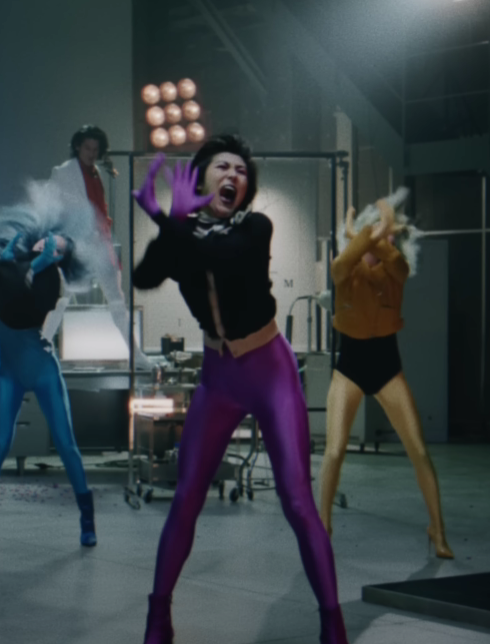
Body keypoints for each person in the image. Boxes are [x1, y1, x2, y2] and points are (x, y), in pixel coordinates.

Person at [131, 136, 347, 644]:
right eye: (222, 167)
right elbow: (145, 276)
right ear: (200, 177)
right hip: (218, 376)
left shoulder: (256, 227)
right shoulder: (185, 235)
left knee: (297, 500)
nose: (233, 175)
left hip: (270, 370)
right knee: (186, 497)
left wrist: (167, 220)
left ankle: (332, 621)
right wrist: (172, 224)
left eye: (241, 171)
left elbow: (225, 258)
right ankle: (158, 618)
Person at [0, 180, 117, 551]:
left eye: (57, 246)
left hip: (41, 370)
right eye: (48, 240)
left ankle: (87, 520)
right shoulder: (7, 269)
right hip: (10, 372)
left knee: (66, 445)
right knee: (0, 443)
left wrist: (48, 255)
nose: (49, 243)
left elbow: (30, 285)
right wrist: (20, 257)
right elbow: (2, 276)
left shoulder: (50, 278)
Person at [319, 188, 452, 558]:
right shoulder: (345, 270)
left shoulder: (396, 272)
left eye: (390, 236)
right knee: (334, 451)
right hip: (349, 369)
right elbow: (341, 264)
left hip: (387, 368)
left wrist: (372, 232)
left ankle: (437, 530)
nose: (387, 241)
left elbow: (397, 263)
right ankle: (322, 527)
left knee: (419, 450)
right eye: (380, 234)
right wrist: (367, 232)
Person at [52, 124, 151, 368]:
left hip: (101, 244)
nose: (91, 153)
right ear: (78, 147)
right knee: (60, 300)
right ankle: (41, 345)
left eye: (95, 149)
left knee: (117, 301)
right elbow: (59, 210)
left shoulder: (97, 172)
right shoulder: (63, 172)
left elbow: (99, 207)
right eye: (87, 148)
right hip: (77, 245)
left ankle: (136, 355)